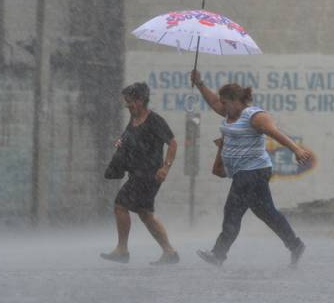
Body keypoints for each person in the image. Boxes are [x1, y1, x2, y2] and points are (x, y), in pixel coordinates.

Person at [191, 70, 314, 268]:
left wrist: (296, 150)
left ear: (235, 101)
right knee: (267, 213)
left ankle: (218, 254)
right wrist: (199, 84)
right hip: (245, 173)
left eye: (225, 102)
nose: (221, 106)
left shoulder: (254, 116)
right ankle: (295, 245)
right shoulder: (229, 112)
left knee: (232, 211)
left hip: (253, 172)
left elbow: (275, 133)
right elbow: (213, 103)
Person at [100, 82, 180, 265]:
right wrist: (120, 145)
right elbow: (128, 139)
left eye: (130, 101)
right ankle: (169, 252)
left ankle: (122, 250)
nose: (127, 105)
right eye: (126, 101)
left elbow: (173, 143)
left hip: (150, 175)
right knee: (145, 214)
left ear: (141, 100)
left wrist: (165, 167)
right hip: (136, 173)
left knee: (121, 205)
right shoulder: (133, 119)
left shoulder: (154, 120)